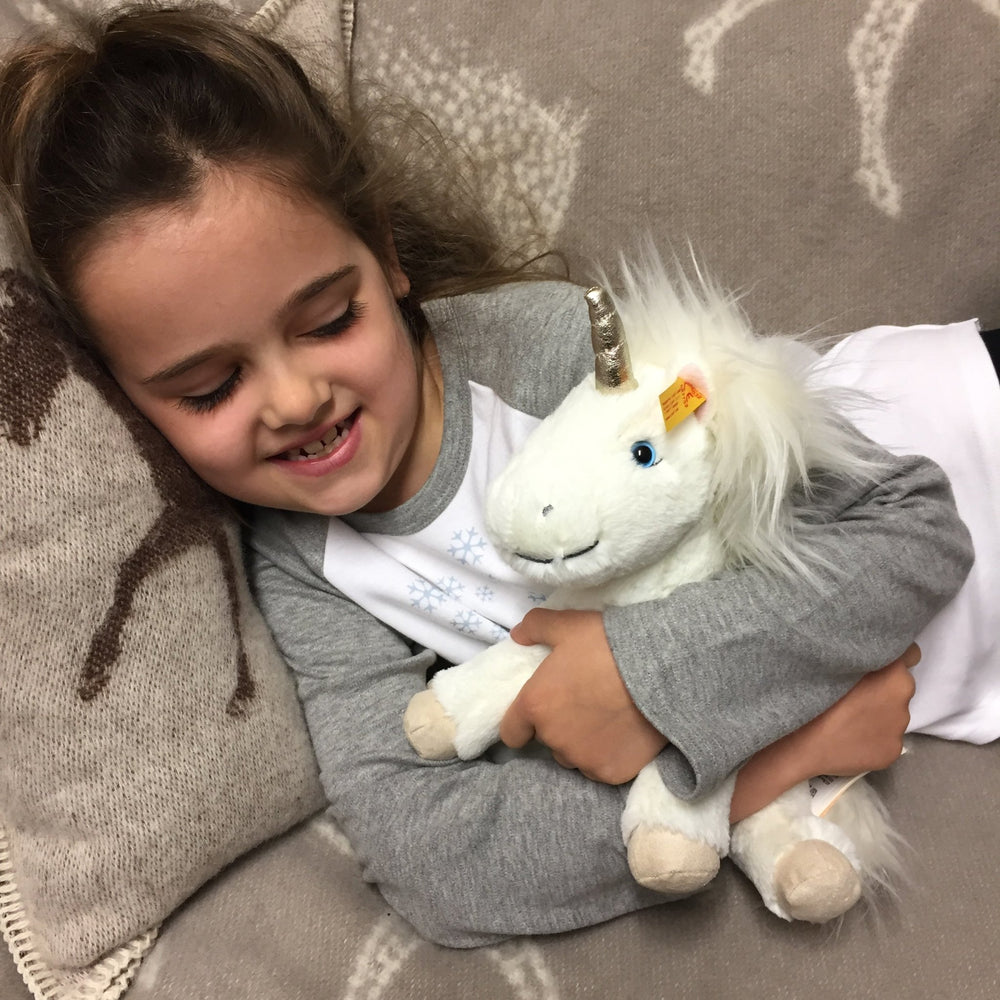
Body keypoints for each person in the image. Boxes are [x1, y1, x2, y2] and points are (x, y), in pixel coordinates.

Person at [0, 3, 974, 947]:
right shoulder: (305, 568)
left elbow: (913, 529)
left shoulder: (545, 353)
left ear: (385, 257)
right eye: (210, 387)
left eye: (330, 321)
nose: (294, 400)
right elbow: (439, 862)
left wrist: (634, 679)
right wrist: (773, 758)